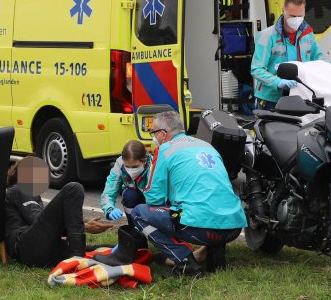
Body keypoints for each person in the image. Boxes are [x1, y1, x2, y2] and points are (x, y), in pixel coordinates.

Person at [95, 110, 246, 277]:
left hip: (201, 228)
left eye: (153, 132)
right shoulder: (206, 145)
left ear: (162, 134)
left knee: (140, 213)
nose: (153, 137)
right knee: (203, 205)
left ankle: (185, 261)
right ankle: (214, 252)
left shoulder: (165, 150)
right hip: (233, 227)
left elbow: (154, 199)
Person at [3, 156, 88, 267]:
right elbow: (36, 218)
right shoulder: (19, 189)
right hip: (26, 246)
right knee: (74, 188)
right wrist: (82, 225)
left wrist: (79, 225)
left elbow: (46, 225)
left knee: (100, 249)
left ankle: (79, 253)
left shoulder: (29, 194)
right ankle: (77, 257)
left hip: (37, 248)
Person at [250, 0, 325, 111]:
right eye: (292, 16)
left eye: (300, 16)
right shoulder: (267, 36)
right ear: (283, 10)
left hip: (300, 97)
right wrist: (278, 82)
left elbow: (320, 59)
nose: (297, 20)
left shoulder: (308, 34)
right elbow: (256, 69)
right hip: (271, 99)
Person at [100, 140, 151, 222]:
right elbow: (109, 191)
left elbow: (158, 197)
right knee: (129, 195)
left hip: (152, 199)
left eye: (135, 167)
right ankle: (133, 225)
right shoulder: (119, 164)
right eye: (127, 166)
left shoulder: (154, 166)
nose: (131, 171)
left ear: (144, 161)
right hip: (135, 196)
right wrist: (109, 209)